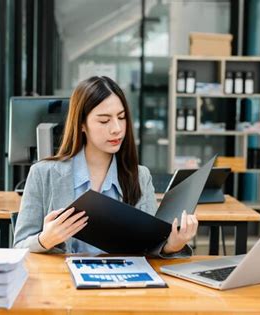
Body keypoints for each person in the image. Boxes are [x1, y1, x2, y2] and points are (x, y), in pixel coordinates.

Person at [14, 76, 198, 257]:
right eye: (104, 120)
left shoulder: (140, 176)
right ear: (81, 125)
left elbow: (151, 248)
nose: (117, 128)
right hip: (64, 283)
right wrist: (45, 240)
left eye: (122, 117)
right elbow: (19, 246)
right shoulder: (42, 173)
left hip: (124, 282)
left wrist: (171, 246)